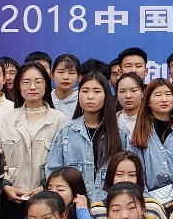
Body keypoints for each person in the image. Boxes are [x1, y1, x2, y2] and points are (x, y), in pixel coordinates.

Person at [0, 62, 68, 219]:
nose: (32, 87)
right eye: (26, 82)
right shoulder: (6, 120)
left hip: (48, 200)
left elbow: (65, 163)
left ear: (46, 84)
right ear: (18, 85)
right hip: (12, 201)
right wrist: (6, 186)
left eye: (38, 81)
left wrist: (45, 187)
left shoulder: (59, 120)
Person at [44, 71, 122, 207]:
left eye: (97, 91)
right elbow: (53, 172)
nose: (90, 96)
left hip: (112, 208)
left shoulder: (120, 132)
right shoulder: (66, 131)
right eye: (85, 91)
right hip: (74, 209)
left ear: (106, 95)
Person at [125, 78, 173, 207]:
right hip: (145, 204)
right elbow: (134, 173)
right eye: (158, 95)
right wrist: (149, 203)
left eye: (168, 94)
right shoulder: (137, 135)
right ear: (148, 102)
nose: (164, 99)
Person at [26, 167, 100, 219]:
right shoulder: (35, 213)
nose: (53, 193)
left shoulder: (87, 216)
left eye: (60, 190)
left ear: (75, 192)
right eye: (49, 189)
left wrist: (82, 213)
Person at [105, 151, 168, 219]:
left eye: (132, 175)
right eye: (119, 174)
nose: (126, 180)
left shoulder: (153, 208)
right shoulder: (97, 209)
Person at [114, 72, 146, 139]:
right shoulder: (112, 122)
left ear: (142, 93)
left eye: (133, 91)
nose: (128, 96)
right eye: (122, 91)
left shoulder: (151, 121)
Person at [50, 53, 82, 120]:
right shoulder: (44, 100)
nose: (66, 77)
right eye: (61, 72)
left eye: (71, 73)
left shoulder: (83, 101)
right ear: (52, 74)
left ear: (78, 77)